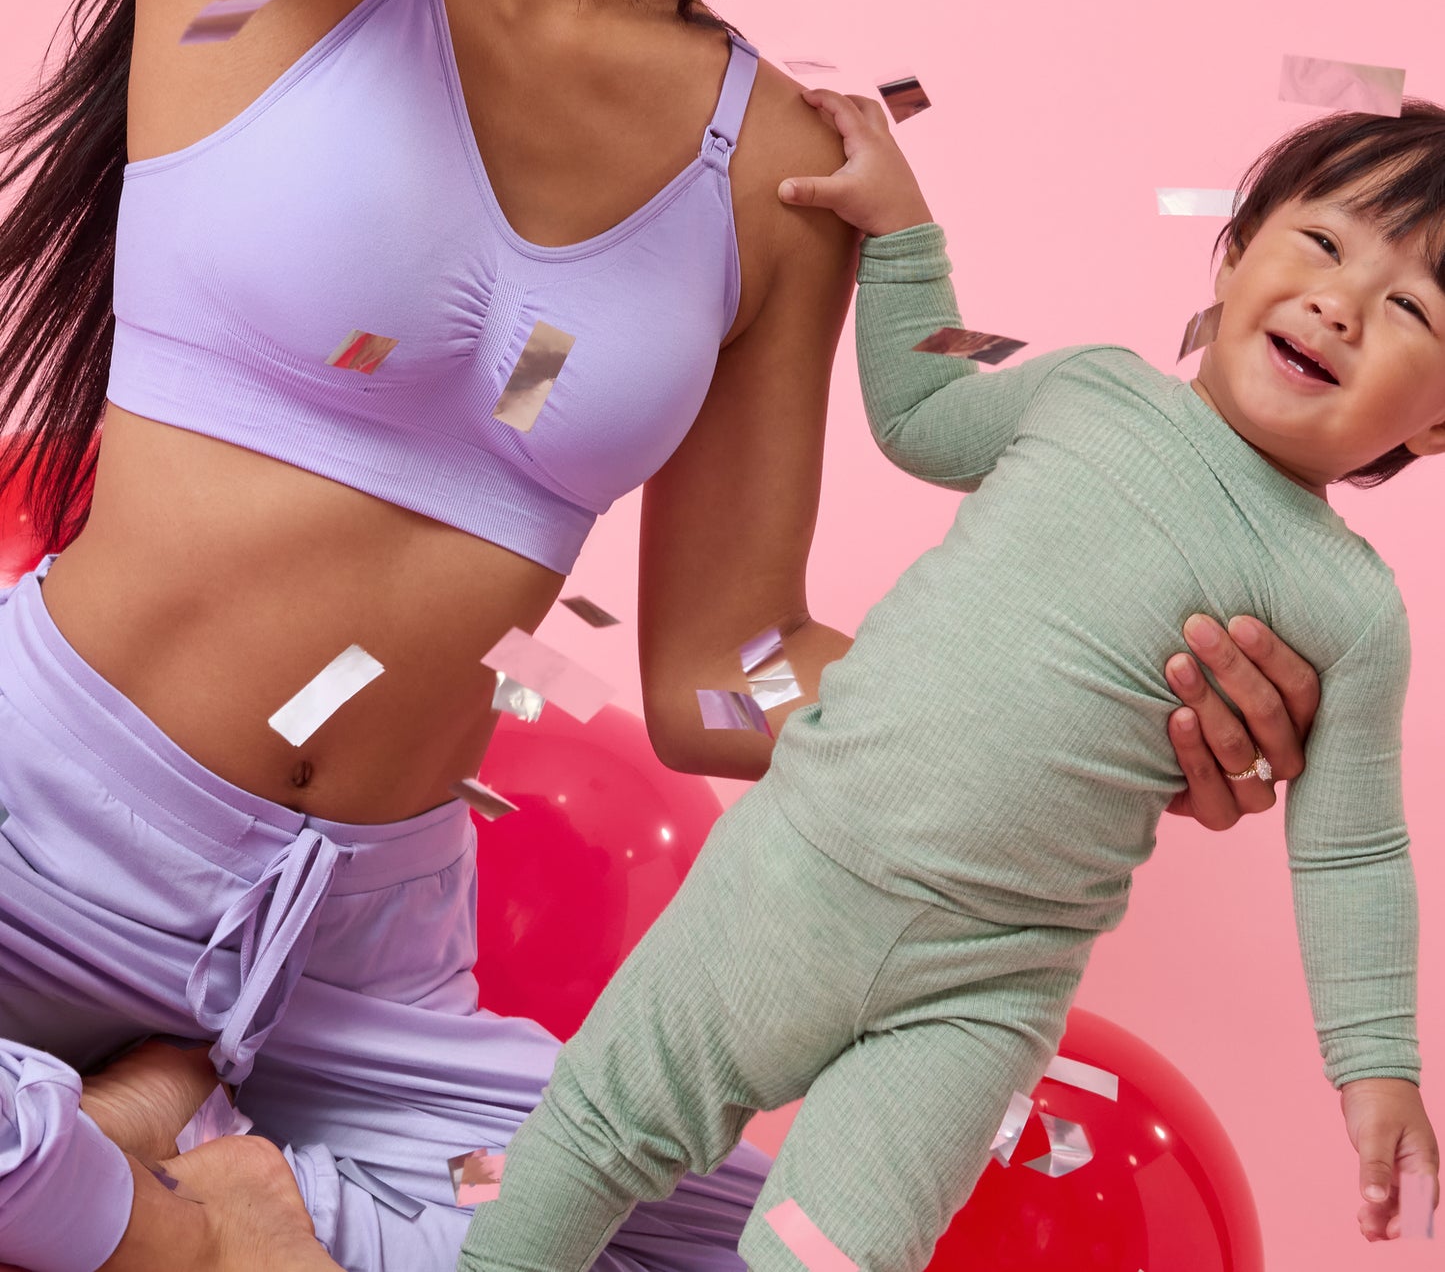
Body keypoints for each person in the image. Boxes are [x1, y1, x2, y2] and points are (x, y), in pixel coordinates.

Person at [0, 0, 1317, 1268]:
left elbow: (731, 677)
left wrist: (1102, 706)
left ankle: (137, 1154)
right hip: (42, 826)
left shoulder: (779, 163)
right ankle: (166, 1195)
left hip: (362, 978)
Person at [460, 93, 1445, 1272]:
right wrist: (904, 235)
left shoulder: (1348, 605)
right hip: (793, 868)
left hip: (983, 986)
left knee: (829, 1256)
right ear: (1230, 255)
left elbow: (1350, 852)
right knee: (593, 1132)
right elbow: (925, 412)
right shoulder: (1091, 386)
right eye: (1322, 244)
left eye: (1408, 310)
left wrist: (1376, 1067)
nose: (1339, 304)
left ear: (1436, 425)